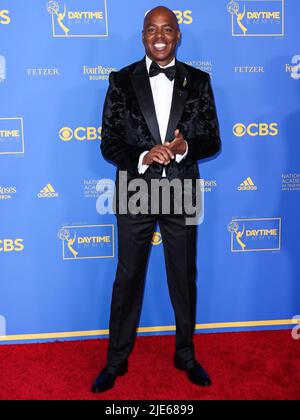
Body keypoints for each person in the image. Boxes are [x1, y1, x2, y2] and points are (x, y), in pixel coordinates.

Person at [92, 6, 221, 393]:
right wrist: (143, 156)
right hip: (136, 187)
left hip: (181, 187)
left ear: (178, 35)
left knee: (183, 276)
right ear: (143, 35)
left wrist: (183, 148)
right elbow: (109, 143)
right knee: (128, 277)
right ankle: (116, 360)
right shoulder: (120, 80)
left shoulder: (198, 81)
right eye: (152, 29)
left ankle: (185, 355)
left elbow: (212, 139)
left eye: (167, 29)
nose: (160, 35)